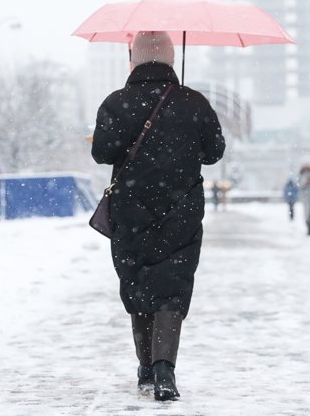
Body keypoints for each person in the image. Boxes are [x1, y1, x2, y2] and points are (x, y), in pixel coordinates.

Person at [91, 31, 225, 401]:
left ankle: (146, 366)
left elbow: (102, 153)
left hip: (130, 210)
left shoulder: (117, 103)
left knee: (136, 282)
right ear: (170, 60)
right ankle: (165, 370)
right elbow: (214, 152)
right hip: (180, 209)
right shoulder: (193, 103)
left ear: (133, 60)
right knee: (172, 284)